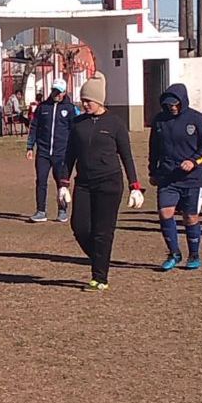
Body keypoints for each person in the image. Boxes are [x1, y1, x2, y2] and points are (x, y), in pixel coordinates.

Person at [59, 72, 144, 291]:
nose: (85, 104)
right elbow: (69, 156)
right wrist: (63, 184)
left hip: (109, 184)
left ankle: (100, 277)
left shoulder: (115, 123)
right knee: (80, 227)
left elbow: (126, 156)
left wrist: (135, 187)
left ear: (99, 100)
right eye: (83, 100)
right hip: (84, 184)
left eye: (89, 101)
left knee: (103, 231)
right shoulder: (78, 124)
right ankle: (99, 258)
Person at [148, 83, 202, 271]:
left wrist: (194, 161)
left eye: (175, 104)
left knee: (190, 217)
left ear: (183, 101)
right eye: (169, 104)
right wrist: (153, 171)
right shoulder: (159, 121)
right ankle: (174, 253)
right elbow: (153, 149)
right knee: (164, 213)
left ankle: (194, 254)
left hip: (193, 178)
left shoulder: (197, 119)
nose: (172, 107)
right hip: (167, 177)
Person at [26, 78, 77, 223]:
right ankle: (41, 211)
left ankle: (62, 210)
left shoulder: (70, 109)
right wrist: (30, 146)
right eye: (54, 91)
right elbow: (34, 127)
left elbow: (74, 130)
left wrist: (74, 150)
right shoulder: (43, 108)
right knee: (41, 181)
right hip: (43, 151)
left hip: (61, 153)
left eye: (59, 92)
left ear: (64, 92)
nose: (56, 94)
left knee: (61, 182)